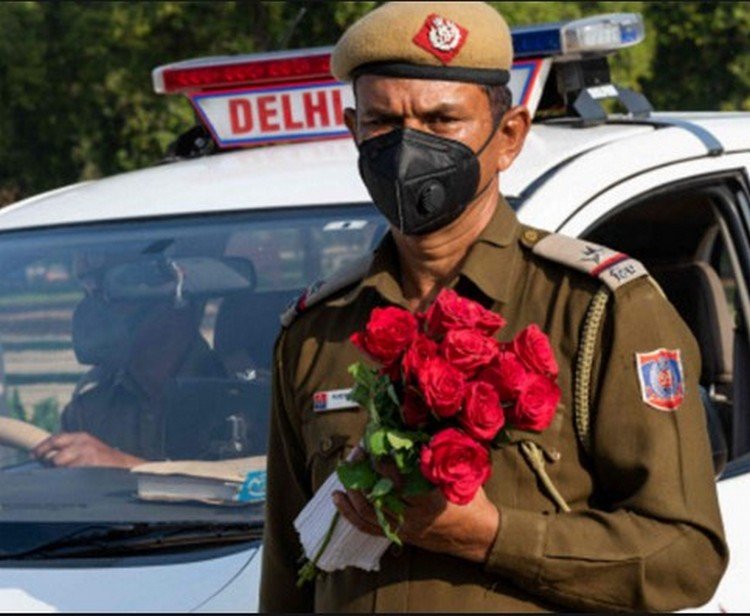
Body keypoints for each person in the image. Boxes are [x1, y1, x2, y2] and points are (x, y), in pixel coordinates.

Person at [260, 2, 728, 612]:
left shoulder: (596, 310)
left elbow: (684, 558)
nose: (408, 147)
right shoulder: (318, 331)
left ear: (508, 137)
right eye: (382, 122)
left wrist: (489, 535)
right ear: (352, 130)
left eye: (441, 120)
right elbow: (288, 572)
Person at [32, 255, 226, 469]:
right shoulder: (88, 412)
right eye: (90, 293)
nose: (92, 310)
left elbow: (254, 490)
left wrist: (123, 465)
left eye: (114, 294)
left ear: (175, 305)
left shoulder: (241, 402)